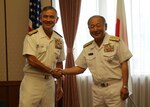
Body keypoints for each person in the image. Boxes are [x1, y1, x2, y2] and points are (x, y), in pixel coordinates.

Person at [56, 15, 132, 107]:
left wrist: (125, 86)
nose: (95, 29)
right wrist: (62, 71)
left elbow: (124, 64)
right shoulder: (88, 48)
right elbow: (80, 68)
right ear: (89, 29)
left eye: (98, 25)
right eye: (92, 27)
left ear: (105, 26)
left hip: (115, 88)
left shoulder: (116, 42)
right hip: (97, 90)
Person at [19, 6, 65, 107]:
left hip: (50, 82)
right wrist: (52, 71)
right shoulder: (32, 36)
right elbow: (32, 60)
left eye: (52, 17)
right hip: (32, 81)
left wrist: (59, 85)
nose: (48, 20)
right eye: (45, 17)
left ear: (56, 20)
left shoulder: (59, 39)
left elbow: (59, 63)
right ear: (40, 18)